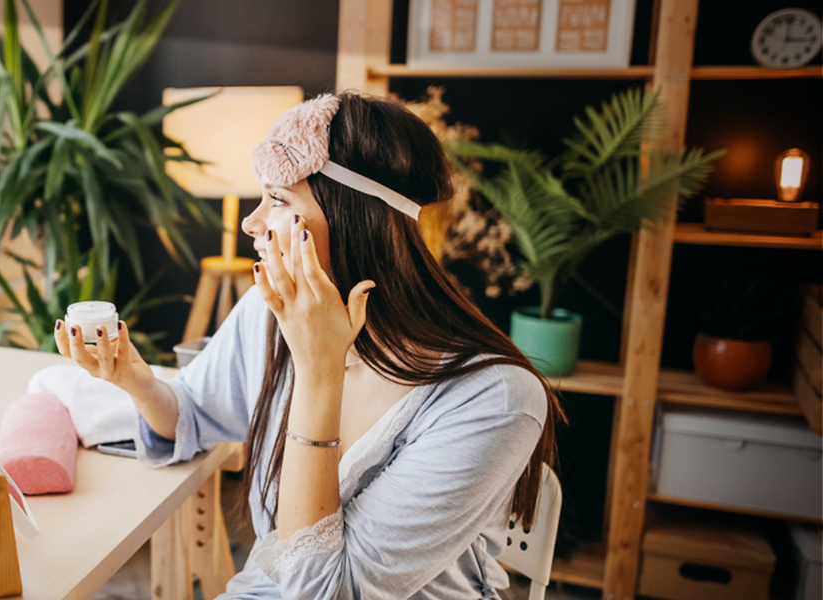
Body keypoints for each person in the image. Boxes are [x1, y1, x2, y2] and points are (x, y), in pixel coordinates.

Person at [53, 91, 563, 600]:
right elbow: (193, 412)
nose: (252, 223)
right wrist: (136, 381)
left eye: (277, 200)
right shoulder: (272, 312)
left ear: (353, 218)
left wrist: (319, 372)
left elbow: (328, 593)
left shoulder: (493, 398)